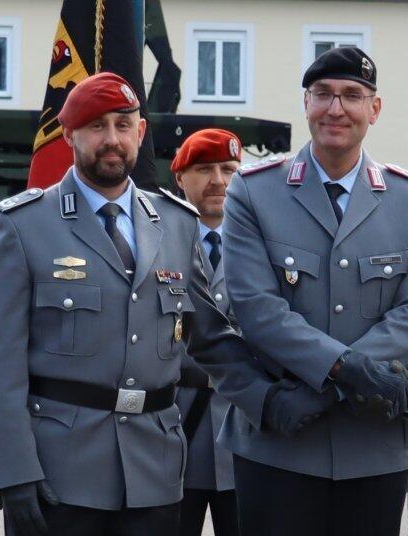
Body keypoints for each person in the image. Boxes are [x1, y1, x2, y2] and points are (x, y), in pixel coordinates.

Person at [0, 72, 284, 536]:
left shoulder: (176, 223)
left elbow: (211, 338)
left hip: (153, 471)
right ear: (71, 134)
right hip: (59, 471)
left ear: (140, 132)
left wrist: (274, 401)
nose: (112, 139)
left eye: (123, 124)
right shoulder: (24, 224)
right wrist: (13, 471)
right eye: (97, 126)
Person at [219, 47, 408, 536]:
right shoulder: (254, 191)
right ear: (306, 104)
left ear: (374, 109)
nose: (335, 108)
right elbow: (257, 310)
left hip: (373, 446)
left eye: (351, 96)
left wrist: (337, 381)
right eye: (322, 94)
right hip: (279, 442)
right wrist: (348, 369)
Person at [170, 128, 243, 536]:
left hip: (243, 426)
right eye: (203, 169)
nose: (219, 180)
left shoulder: (264, 245)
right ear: (180, 178)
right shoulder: (156, 240)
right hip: (177, 425)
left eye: (229, 168)